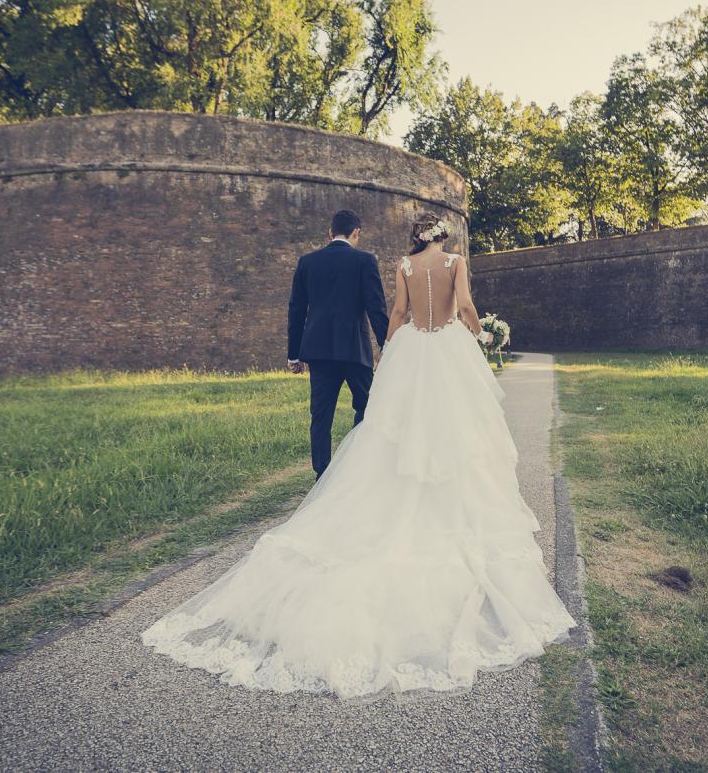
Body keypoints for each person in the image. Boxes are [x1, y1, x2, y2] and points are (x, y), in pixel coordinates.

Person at [142, 211, 575, 698]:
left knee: (387, 429)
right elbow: (468, 306)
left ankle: (345, 482)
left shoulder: (402, 267)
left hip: (411, 347)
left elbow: (393, 315)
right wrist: (482, 336)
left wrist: (390, 350)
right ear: (444, 236)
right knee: (454, 428)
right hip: (447, 349)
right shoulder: (454, 262)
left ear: (415, 237)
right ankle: (445, 500)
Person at [285, 209, 390, 480]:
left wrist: (294, 355)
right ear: (356, 233)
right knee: (368, 408)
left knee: (321, 415)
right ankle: (357, 465)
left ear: (330, 233)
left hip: (318, 352)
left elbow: (296, 310)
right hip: (355, 350)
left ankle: (323, 474)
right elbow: (376, 308)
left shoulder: (307, 262)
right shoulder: (365, 261)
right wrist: (388, 346)